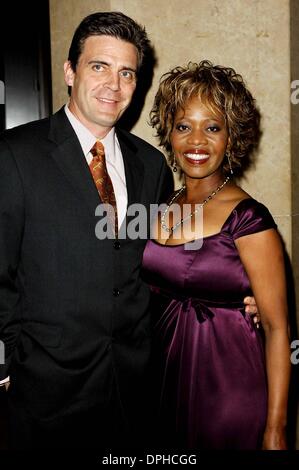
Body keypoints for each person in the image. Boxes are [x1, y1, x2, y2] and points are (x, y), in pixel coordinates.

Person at [0, 12, 257, 449]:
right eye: (99, 66)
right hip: (46, 391)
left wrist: (233, 298)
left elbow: (163, 263)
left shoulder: (151, 165)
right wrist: (9, 366)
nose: (113, 85)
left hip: (136, 387)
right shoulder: (15, 155)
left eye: (126, 73)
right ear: (70, 71)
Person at [142, 61, 290, 449]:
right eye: (183, 126)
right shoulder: (161, 204)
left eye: (212, 127)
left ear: (231, 136)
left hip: (229, 389)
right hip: (163, 380)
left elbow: (277, 329)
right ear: (169, 132)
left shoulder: (249, 218)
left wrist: (276, 429)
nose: (196, 141)